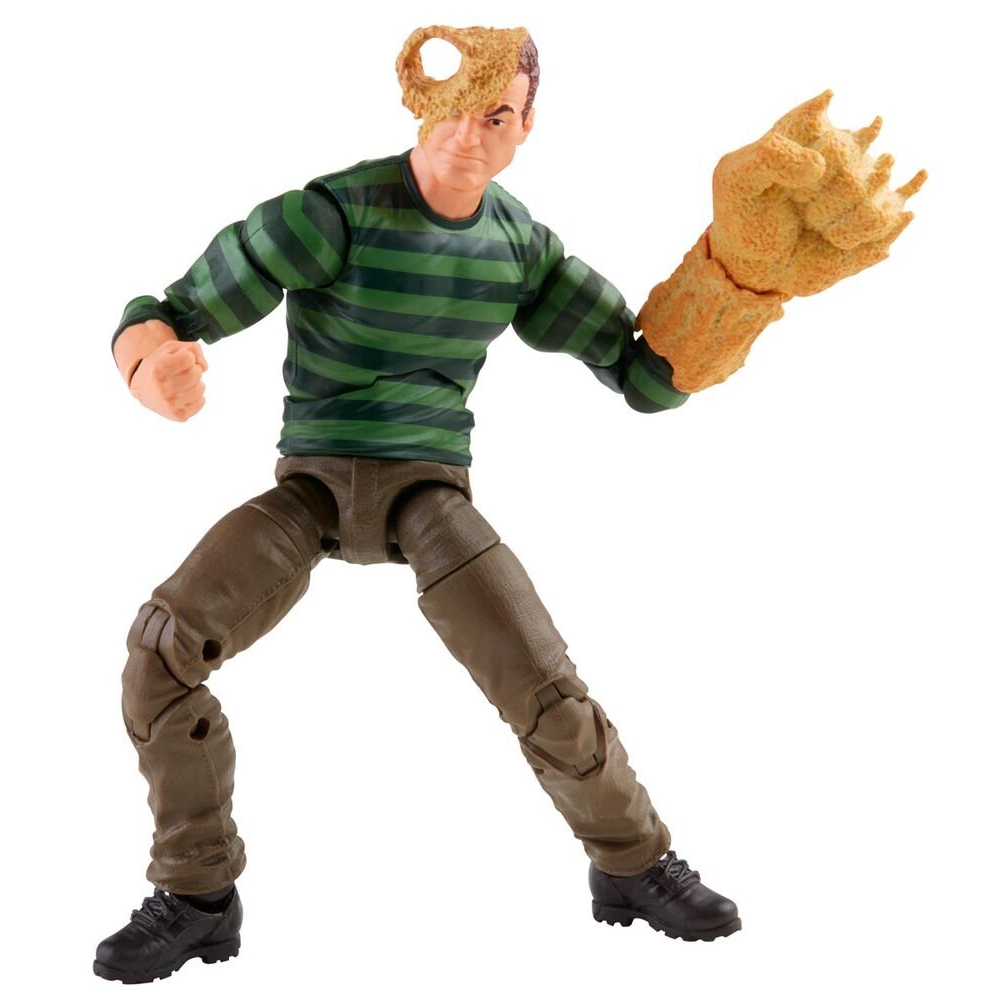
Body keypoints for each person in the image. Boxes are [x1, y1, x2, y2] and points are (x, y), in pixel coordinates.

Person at [95, 25, 924, 984]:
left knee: (543, 683)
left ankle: (633, 864)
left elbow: (644, 374)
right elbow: (166, 310)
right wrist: (149, 368)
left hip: (427, 490)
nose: (468, 134)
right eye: (454, 107)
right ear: (419, 100)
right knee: (161, 651)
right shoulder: (330, 216)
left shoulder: (515, 248)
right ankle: (198, 894)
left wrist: (739, 274)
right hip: (310, 486)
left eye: (496, 115)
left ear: (528, 127)